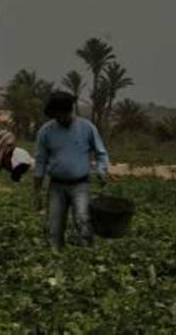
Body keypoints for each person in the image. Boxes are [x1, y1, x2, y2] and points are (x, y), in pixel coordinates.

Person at [33, 91, 110, 248]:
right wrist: (37, 191)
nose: (60, 119)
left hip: (80, 185)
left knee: (83, 222)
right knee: (54, 227)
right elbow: (40, 161)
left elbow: (101, 153)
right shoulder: (46, 132)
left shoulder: (87, 128)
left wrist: (102, 170)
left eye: (62, 115)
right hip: (56, 186)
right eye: (56, 116)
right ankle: (55, 259)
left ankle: (87, 257)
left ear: (70, 110)